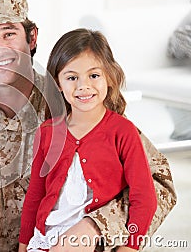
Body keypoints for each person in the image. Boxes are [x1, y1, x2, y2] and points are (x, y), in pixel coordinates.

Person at [0, 0, 176, 252]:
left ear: (31, 39)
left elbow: (159, 184)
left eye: (9, 34)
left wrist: (95, 226)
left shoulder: (76, 103)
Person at [19, 28, 158, 252]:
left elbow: (144, 198)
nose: (83, 86)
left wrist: (130, 247)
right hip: (46, 238)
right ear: (58, 84)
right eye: (72, 77)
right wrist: (23, 246)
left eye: (94, 76)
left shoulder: (123, 132)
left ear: (109, 78)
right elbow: (35, 195)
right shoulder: (47, 133)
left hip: (96, 242)